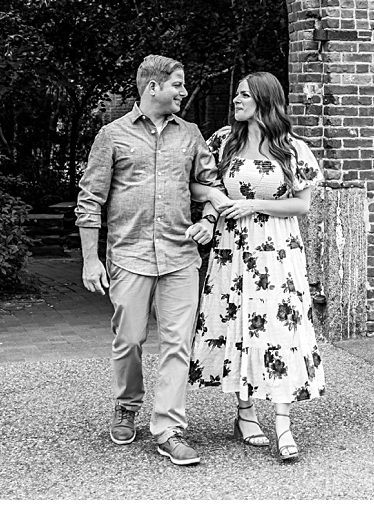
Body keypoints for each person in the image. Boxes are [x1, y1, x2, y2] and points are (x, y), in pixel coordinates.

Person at [76, 54, 220, 467]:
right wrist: (91, 260)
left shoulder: (191, 134)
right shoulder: (112, 135)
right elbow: (90, 200)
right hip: (129, 255)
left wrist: (208, 221)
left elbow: (210, 186)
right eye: (177, 84)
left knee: (178, 343)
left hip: (180, 255)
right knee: (130, 340)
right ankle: (127, 403)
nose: (183, 91)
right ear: (152, 87)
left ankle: (169, 429)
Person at [188, 71, 326, 463]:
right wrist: (215, 196)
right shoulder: (223, 142)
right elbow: (197, 184)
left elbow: (301, 205)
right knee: (238, 325)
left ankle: (283, 424)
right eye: (236, 95)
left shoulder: (292, 149)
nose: (236, 100)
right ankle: (245, 415)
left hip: (277, 251)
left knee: (280, 329)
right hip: (232, 250)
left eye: (244, 95)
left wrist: (253, 205)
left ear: (264, 100)